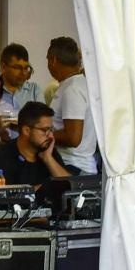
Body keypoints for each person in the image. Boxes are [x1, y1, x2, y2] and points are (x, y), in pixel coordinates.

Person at [0, 101, 70, 186]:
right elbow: (1, 196)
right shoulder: (2, 157)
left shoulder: (49, 152)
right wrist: (44, 189)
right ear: (26, 131)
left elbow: (70, 187)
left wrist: (48, 159)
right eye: (45, 130)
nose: (50, 135)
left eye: (51, 130)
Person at [46, 36, 98, 174]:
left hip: (73, 166)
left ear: (54, 60)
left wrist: (44, 135)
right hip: (76, 165)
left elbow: (73, 137)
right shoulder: (78, 84)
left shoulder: (72, 90)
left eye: (48, 59)